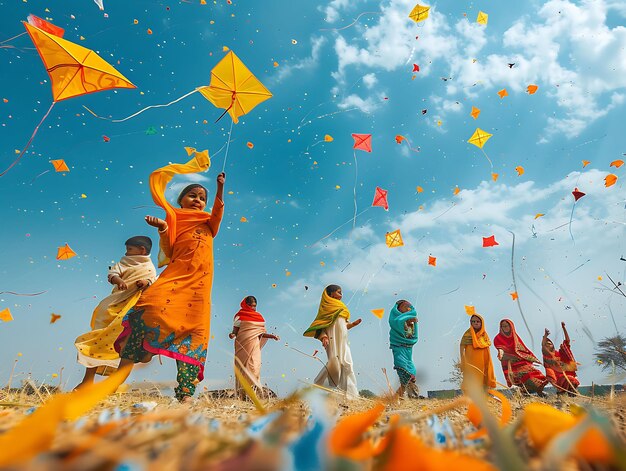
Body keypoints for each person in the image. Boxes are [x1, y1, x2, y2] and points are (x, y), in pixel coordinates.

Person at [113, 149, 225, 402]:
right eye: (192, 196)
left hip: (198, 286)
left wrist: (219, 189)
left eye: (202, 197)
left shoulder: (208, 221)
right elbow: (169, 248)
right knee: (148, 309)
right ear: (181, 200)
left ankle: (185, 393)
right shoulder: (174, 218)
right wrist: (163, 227)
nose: (198, 200)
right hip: (175, 276)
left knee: (193, 332)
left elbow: (218, 214)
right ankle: (116, 380)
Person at [74, 236, 156, 388]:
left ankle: (113, 384)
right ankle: (87, 381)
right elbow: (113, 274)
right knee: (97, 341)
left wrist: (145, 283)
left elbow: (152, 281)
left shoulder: (149, 267)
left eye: (129, 249)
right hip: (113, 306)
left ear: (142, 250)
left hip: (129, 312)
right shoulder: (124, 262)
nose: (126, 252)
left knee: (124, 345)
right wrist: (119, 281)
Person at [303, 285, 361, 398]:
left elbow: (344, 325)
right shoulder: (326, 309)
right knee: (334, 364)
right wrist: (323, 337)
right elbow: (321, 327)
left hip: (343, 341)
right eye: (339, 292)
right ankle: (319, 388)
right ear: (330, 294)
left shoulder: (342, 308)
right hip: (331, 341)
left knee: (348, 363)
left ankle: (350, 395)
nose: (341, 295)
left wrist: (353, 324)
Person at [228, 296, 279, 399]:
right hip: (242, 345)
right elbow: (235, 331)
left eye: (254, 306)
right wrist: (232, 335)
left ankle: (252, 392)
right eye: (250, 306)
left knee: (255, 367)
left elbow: (260, 334)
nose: (253, 308)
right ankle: (242, 395)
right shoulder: (239, 316)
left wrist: (271, 336)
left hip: (254, 345)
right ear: (245, 305)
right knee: (241, 369)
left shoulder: (259, 317)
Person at [493, 319, 548, 396]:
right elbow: (500, 349)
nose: (504, 328)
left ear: (511, 326)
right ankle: (528, 392)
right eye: (503, 326)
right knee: (524, 377)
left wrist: (532, 358)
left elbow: (522, 349)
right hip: (510, 363)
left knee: (535, 374)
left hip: (521, 360)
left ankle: (527, 392)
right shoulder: (498, 338)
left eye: (506, 326)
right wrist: (501, 353)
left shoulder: (515, 337)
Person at [388, 300, 420, 399]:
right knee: (403, 369)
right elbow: (397, 323)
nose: (408, 308)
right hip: (398, 347)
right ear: (398, 308)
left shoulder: (411, 320)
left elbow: (411, 335)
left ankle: (398, 397)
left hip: (408, 349)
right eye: (405, 306)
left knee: (411, 373)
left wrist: (412, 321)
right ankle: (403, 396)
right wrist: (409, 319)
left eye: (409, 306)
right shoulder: (395, 319)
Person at [459, 314, 496, 392]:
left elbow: (487, 347)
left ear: (482, 323)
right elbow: (462, 347)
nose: (476, 323)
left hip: (484, 361)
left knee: (485, 379)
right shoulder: (467, 334)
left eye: (478, 321)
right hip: (472, 362)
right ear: (470, 323)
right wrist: (463, 362)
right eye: (473, 321)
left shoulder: (484, 335)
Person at [542, 322, 580, 395]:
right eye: (546, 344)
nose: (547, 345)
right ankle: (561, 393)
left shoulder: (561, 353)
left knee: (572, 381)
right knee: (567, 381)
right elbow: (543, 345)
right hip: (557, 379)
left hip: (568, 377)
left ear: (553, 345)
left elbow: (567, 341)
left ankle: (569, 394)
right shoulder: (547, 355)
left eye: (549, 344)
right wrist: (545, 336)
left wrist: (564, 328)